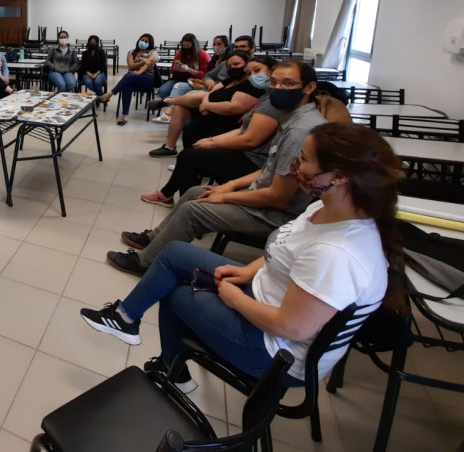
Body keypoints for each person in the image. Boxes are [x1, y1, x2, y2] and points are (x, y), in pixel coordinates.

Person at [81, 123, 400, 395]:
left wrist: (234, 299)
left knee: (176, 293)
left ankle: (171, 370)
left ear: (339, 176)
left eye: (305, 160)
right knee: (175, 254)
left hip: (274, 352)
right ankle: (126, 319)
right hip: (267, 297)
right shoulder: (328, 207)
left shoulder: (338, 254)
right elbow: (288, 250)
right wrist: (247, 271)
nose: (297, 166)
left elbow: (292, 327)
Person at [109, 60, 327, 276]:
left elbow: (279, 198)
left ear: (309, 87)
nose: (277, 89)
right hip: (262, 195)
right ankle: (155, 238)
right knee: (197, 192)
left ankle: (144, 262)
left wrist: (225, 196)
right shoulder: (292, 118)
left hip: (273, 214)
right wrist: (229, 186)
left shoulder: (300, 131)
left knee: (193, 209)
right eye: (275, 82)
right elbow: (270, 170)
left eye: (287, 84)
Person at [141, 69, 280, 207]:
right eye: (250, 71)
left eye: (257, 70)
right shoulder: (266, 97)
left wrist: (214, 143)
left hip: (253, 159)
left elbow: (249, 139)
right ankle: (173, 196)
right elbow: (242, 130)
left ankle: (187, 204)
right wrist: (212, 141)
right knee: (190, 140)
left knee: (188, 156)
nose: (252, 74)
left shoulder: (271, 105)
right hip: (235, 135)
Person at [148, 54, 272, 158]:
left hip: (225, 118)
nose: (232, 67)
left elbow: (234, 107)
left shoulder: (252, 86)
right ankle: (170, 147)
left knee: (191, 126)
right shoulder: (231, 80)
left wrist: (207, 106)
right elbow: (210, 91)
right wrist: (206, 103)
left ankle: (168, 102)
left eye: (236, 64)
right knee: (181, 108)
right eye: (229, 66)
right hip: (209, 108)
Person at [99, 33, 158, 125]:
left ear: (150, 43)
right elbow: (131, 66)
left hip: (148, 79)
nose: (143, 42)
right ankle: (124, 117)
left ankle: (110, 94)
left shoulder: (153, 53)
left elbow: (148, 65)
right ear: (138, 40)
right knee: (127, 86)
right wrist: (142, 61)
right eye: (142, 40)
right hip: (132, 79)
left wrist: (139, 72)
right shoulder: (131, 52)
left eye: (146, 41)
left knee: (129, 76)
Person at [152, 34, 211, 123]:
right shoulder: (180, 53)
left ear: (194, 45)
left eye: (188, 46)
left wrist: (189, 70)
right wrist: (176, 69)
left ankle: (171, 112)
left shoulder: (203, 55)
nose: (186, 48)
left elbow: (205, 74)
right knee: (162, 91)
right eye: (184, 46)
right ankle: (175, 104)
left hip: (194, 81)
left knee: (178, 88)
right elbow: (172, 69)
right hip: (178, 78)